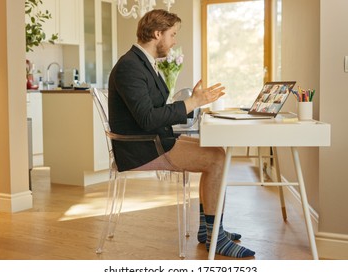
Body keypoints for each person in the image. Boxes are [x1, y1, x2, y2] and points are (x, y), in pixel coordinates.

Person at [108, 9, 255, 258]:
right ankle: (215, 238)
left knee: (217, 152)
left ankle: (209, 230)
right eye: (173, 34)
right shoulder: (130, 67)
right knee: (217, 159)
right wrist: (192, 103)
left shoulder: (143, 63)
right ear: (158, 33)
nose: (175, 41)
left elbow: (154, 110)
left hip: (154, 139)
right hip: (141, 147)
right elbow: (146, 119)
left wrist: (195, 105)